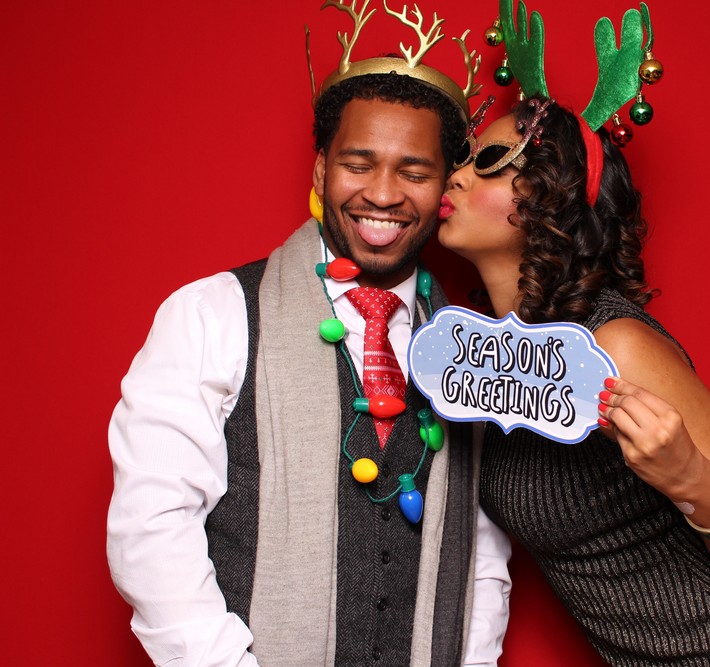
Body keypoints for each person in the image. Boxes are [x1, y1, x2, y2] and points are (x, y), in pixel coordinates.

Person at [106, 13, 512, 666]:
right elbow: (151, 529)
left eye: (414, 171)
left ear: (444, 186)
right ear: (322, 170)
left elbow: (482, 555)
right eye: (359, 164)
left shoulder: (475, 352)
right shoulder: (213, 314)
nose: (383, 194)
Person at [437, 96, 710, 666]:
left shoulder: (614, 344)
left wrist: (691, 477)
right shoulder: (482, 364)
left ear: (552, 193)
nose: (455, 176)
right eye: (463, 157)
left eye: (490, 161)